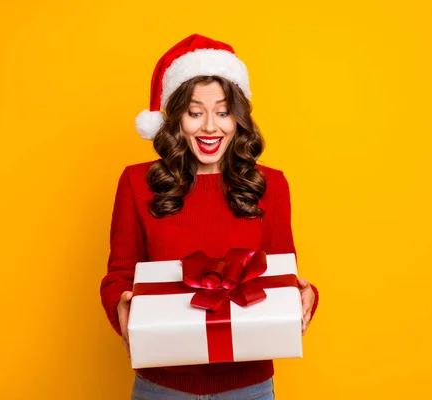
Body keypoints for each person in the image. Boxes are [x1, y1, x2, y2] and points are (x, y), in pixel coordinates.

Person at [100, 33, 319, 400]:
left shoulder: (272, 186)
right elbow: (119, 275)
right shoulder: (137, 183)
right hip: (162, 386)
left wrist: (307, 296)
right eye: (195, 113)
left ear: (239, 117)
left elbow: (283, 275)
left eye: (222, 112)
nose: (210, 127)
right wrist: (118, 307)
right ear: (175, 118)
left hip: (249, 388)